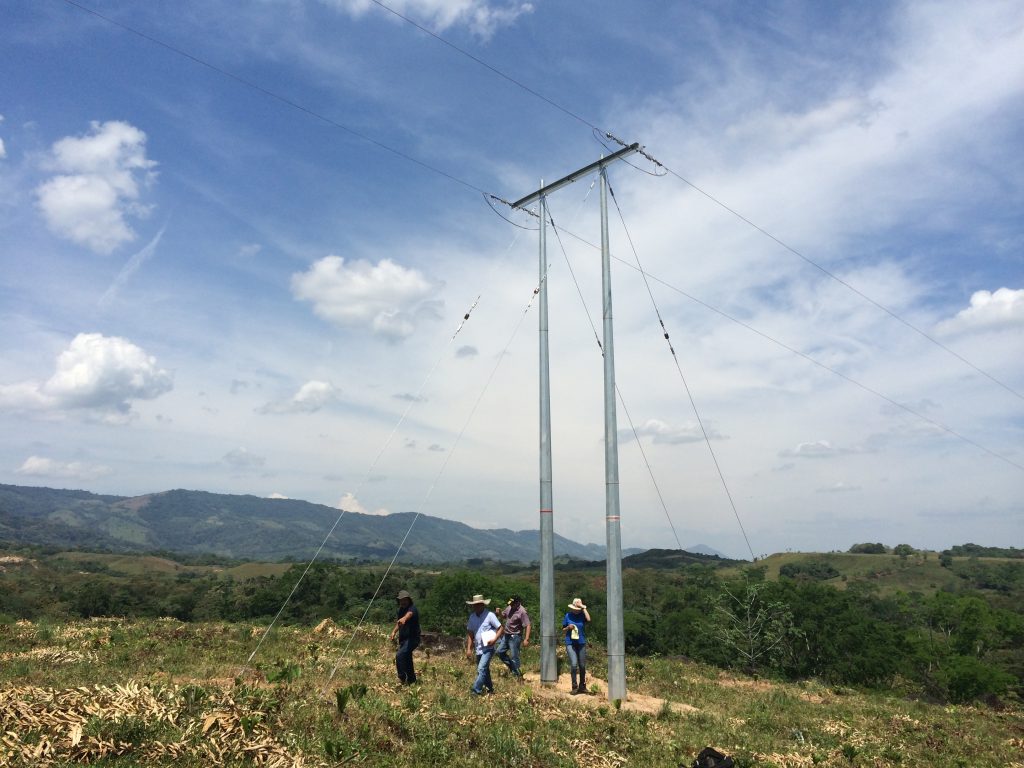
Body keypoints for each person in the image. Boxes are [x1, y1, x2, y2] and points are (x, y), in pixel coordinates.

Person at [465, 594, 503, 695]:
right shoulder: (472, 617)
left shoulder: (490, 615)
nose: (477, 606)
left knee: (481, 668)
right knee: (484, 670)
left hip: (489, 647)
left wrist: (495, 640)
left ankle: (475, 691)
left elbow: (500, 628)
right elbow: (470, 634)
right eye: (475, 605)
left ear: (483, 605)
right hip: (478, 648)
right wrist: (469, 648)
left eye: (479, 604)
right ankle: (490, 689)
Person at [389, 589, 420, 685]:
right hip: (404, 639)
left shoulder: (412, 608)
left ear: (409, 600)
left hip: (412, 639)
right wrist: (394, 632)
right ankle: (412, 680)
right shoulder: (400, 610)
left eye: (405, 600)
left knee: (400, 655)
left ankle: (402, 677)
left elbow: (409, 615)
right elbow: (399, 623)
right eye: (401, 600)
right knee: (407, 659)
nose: (403, 602)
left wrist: (404, 618)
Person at [496, 595, 530, 678]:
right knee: (499, 652)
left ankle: (518, 676)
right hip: (506, 635)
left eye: (512, 604)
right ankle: (513, 668)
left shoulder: (522, 612)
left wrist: (526, 639)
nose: (510, 605)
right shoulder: (509, 607)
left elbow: (528, 625)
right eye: (510, 603)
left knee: (515, 656)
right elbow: (504, 616)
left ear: (517, 603)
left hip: (515, 636)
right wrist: (499, 613)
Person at [562, 597, 591, 695]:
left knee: (582, 665)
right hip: (570, 642)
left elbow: (589, 619)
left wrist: (583, 608)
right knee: (574, 664)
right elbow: (563, 629)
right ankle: (574, 686)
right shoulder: (568, 616)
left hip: (581, 642)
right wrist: (568, 628)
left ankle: (582, 686)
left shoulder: (582, 615)